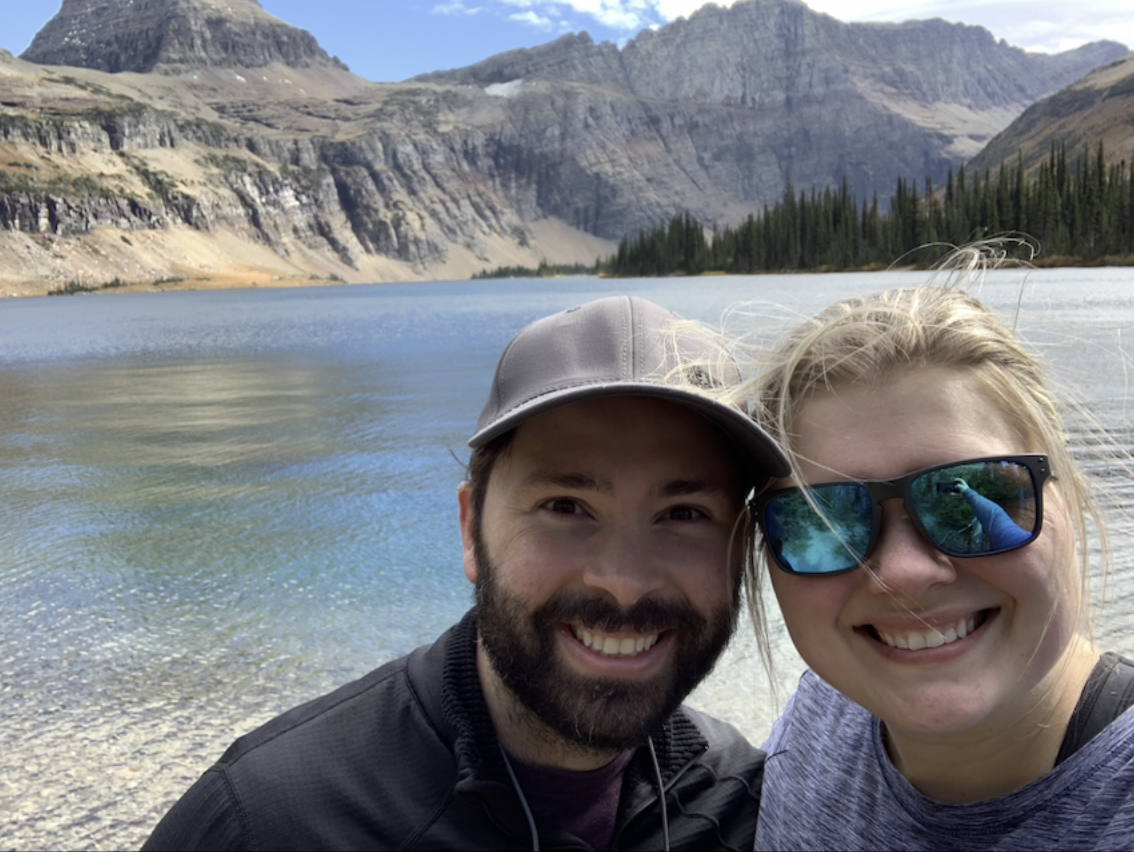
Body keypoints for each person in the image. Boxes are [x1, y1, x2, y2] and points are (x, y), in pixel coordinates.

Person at [142, 295, 790, 851]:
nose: (624, 581)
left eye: (683, 513)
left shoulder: (747, 803)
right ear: (470, 530)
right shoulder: (263, 822)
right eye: (566, 507)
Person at [733, 275, 1134, 850]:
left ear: (1068, 495)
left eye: (979, 489)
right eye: (825, 521)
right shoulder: (822, 717)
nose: (903, 573)